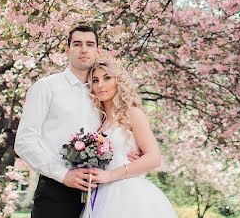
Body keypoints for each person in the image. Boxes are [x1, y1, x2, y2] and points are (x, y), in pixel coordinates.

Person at [15, 25, 102, 218]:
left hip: (100, 192)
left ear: (98, 51)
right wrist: (62, 174)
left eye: (90, 44)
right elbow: (24, 142)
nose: (84, 49)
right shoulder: (46, 88)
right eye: (77, 44)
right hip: (55, 191)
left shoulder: (104, 92)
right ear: (67, 49)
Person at [82, 58, 177, 218]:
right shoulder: (98, 121)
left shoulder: (132, 113)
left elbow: (154, 158)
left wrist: (110, 175)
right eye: (95, 80)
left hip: (127, 194)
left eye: (107, 78)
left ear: (118, 81)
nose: (100, 85)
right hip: (100, 196)